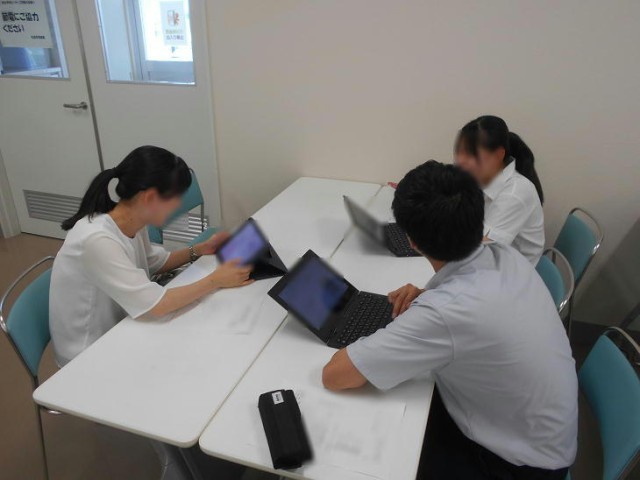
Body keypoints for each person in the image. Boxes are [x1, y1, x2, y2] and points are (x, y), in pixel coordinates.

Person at [322, 161, 577, 480]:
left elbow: (335, 376)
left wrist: (427, 311)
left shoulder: (448, 311)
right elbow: (469, 306)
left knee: (375, 451)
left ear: (412, 241)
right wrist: (427, 297)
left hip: (517, 466)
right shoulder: (504, 254)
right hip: (540, 431)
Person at [50, 146, 253, 367]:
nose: (178, 204)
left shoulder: (132, 221)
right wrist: (215, 280)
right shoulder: (97, 240)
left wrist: (199, 249)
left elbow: (154, 262)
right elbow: (156, 305)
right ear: (149, 197)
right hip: (86, 354)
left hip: (122, 324)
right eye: (176, 197)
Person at [455, 115, 545, 265]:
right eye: (461, 152)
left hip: (511, 273)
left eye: (471, 154)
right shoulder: (482, 180)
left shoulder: (515, 194)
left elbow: (478, 254)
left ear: (498, 155)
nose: (461, 161)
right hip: (492, 266)